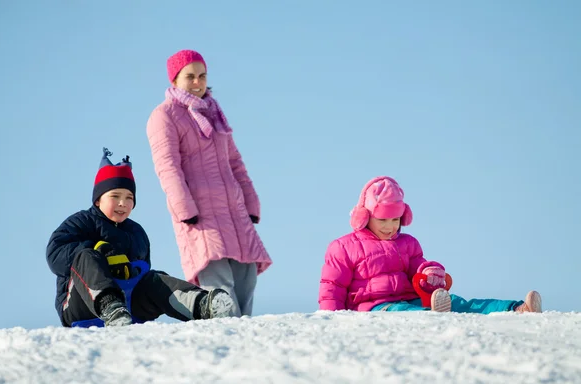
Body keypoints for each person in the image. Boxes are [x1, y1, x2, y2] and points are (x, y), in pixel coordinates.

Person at [46, 148, 235, 327]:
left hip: (129, 305)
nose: (123, 203)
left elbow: (144, 270)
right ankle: (109, 305)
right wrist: (98, 250)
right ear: (98, 199)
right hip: (81, 306)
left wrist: (132, 270)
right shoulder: (81, 222)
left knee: (154, 279)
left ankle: (201, 304)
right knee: (85, 256)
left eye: (129, 198)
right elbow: (55, 254)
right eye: (115, 196)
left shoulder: (137, 233)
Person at [146, 49, 272, 317]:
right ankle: (225, 342)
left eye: (202, 76)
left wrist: (250, 202)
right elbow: (167, 166)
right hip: (200, 214)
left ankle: (249, 343)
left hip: (234, 210)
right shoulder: (164, 115)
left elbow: (235, 162)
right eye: (189, 76)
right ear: (174, 80)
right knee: (219, 285)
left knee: (246, 278)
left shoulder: (214, 112)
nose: (197, 82)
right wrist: (185, 209)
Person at [318, 176, 542, 314]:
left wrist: (429, 271)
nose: (390, 227)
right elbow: (332, 287)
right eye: (383, 220)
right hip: (375, 307)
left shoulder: (408, 243)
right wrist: (331, 319)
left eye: (395, 220)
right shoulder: (344, 246)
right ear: (365, 216)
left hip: (412, 297)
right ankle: (433, 315)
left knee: (459, 302)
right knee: (403, 312)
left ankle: (516, 308)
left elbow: (418, 267)